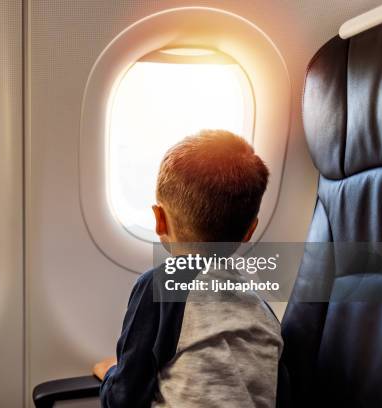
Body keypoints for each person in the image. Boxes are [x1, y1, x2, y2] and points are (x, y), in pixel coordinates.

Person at [94, 130, 282, 407]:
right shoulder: (262, 307)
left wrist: (110, 372)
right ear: (249, 231)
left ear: (159, 219)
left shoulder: (162, 285)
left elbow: (124, 398)